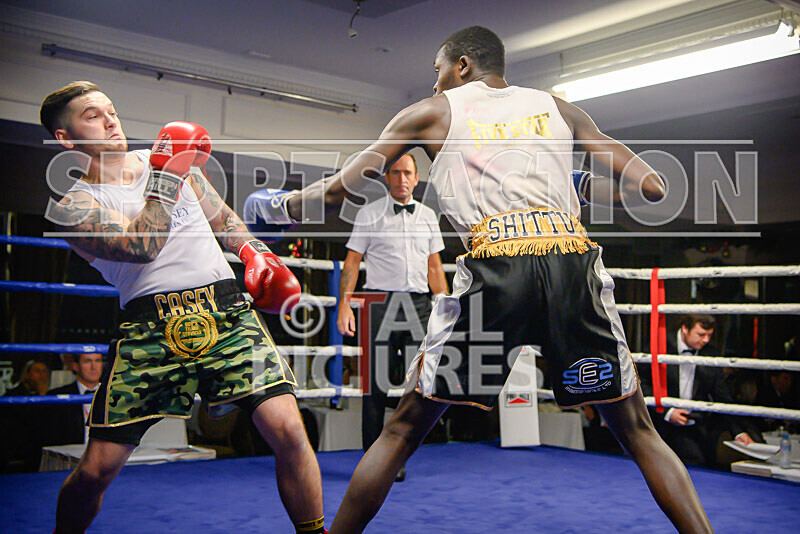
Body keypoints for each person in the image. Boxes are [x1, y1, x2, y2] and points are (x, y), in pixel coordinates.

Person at [250, 26, 714, 533]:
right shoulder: (559, 108)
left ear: (463, 65)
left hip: (499, 269)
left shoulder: (432, 112)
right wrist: (575, 183)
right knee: (638, 430)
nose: (435, 83)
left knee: (402, 430)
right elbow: (649, 187)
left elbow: (339, 191)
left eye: (438, 70)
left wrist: (280, 207)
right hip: (571, 266)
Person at [39, 81, 325, 534]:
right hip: (150, 331)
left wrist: (253, 252)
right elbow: (141, 246)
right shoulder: (72, 208)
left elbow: (222, 218)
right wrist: (166, 175)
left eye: (111, 110)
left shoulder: (172, 160)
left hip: (226, 314)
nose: (110, 121)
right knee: (96, 471)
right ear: (65, 138)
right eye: (92, 116)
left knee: (289, 429)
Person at [336, 153, 448, 481]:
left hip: (418, 304)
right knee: (375, 385)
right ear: (387, 177)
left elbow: (434, 267)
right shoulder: (369, 214)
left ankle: (397, 456)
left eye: (407, 173)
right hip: (378, 303)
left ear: (416, 178)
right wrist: (344, 305)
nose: (402, 179)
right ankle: (372, 463)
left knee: (417, 385)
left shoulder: (428, 216)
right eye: (396, 173)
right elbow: (352, 262)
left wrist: (443, 308)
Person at [640, 315, 760, 467]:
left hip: (694, 425)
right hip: (658, 422)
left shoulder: (710, 354)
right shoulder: (659, 346)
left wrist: (738, 432)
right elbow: (641, 382)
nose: (706, 340)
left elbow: (722, 396)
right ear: (685, 329)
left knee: (702, 463)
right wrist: (667, 411)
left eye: (709, 335)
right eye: (701, 334)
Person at [44, 352, 103, 446]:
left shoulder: (113, 395)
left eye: (97, 361)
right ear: (75, 366)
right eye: (87, 361)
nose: (93, 367)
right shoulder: (57, 397)